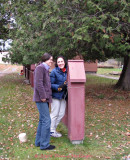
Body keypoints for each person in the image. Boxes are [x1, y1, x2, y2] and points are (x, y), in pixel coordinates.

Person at [33, 53, 55, 150]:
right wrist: (43, 96)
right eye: (50, 60)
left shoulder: (45, 69)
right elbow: (38, 83)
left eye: (52, 60)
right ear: (45, 60)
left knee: (42, 120)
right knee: (47, 120)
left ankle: (38, 142)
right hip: (41, 98)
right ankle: (44, 145)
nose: (52, 61)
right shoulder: (40, 68)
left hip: (44, 98)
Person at [50, 56, 67, 137]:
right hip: (56, 95)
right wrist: (59, 87)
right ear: (57, 63)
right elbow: (50, 84)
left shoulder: (67, 71)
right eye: (59, 62)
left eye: (62, 61)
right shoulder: (54, 72)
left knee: (61, 113)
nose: (60, 63)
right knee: (55, 114)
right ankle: (51, 131)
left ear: (64, 62)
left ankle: (52, 129)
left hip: (63, 96)